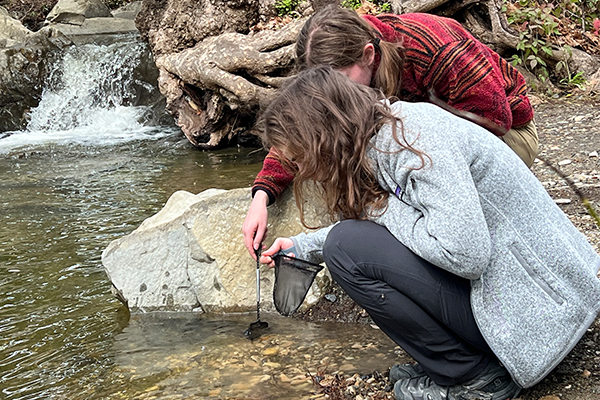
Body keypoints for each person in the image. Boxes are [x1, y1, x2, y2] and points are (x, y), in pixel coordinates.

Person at [256, 66, 600, 400]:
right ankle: (460, 362)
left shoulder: (416, 142)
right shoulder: (387, 132)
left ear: (322, 137)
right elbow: (393, 219)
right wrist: (302, 247)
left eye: (299, 158)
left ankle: (474, 377)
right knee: (343, 243)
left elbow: (465, 255)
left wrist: (384, 211)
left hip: (541, 314)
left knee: (345, 249)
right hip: (539, 298)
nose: (300, 171)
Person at [242, 5, 539, 258]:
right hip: (417, 142)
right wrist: (262, 196)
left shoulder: (435, 48)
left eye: (343, 82)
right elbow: (306, 132)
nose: (336, 95)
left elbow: (494, 121)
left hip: (506, 136)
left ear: (368, 55)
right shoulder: (346, 66)